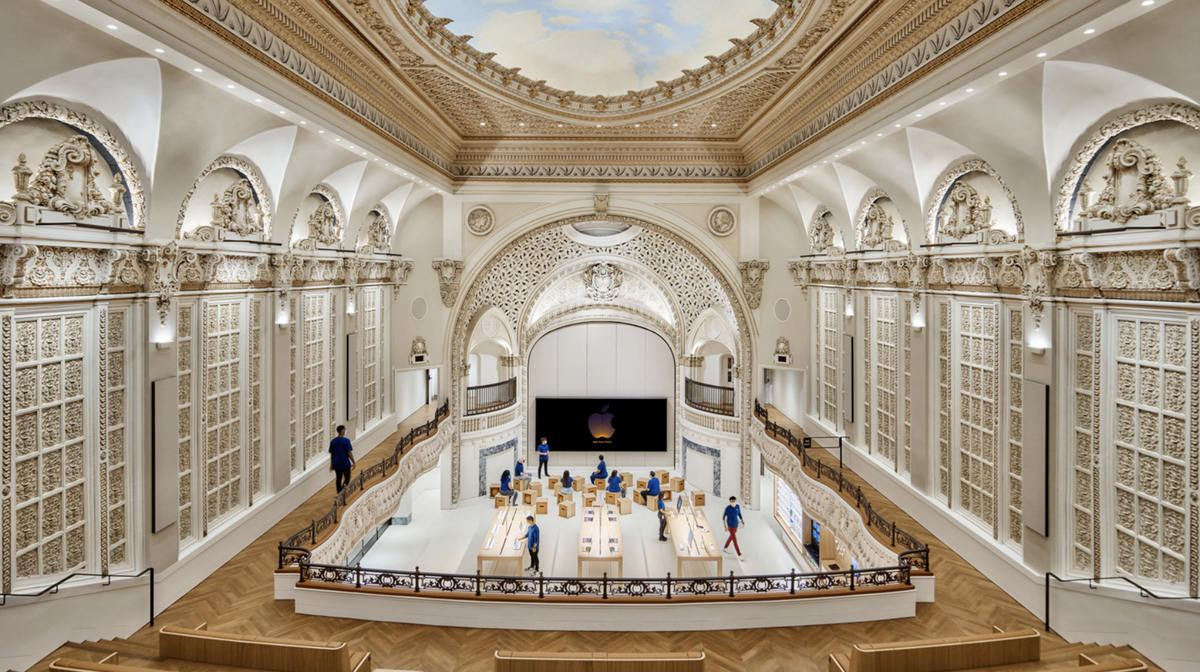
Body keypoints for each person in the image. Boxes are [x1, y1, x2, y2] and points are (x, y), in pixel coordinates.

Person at [328, 425, 355, 493]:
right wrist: (353, 462)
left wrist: (331, 464)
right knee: (347, 478)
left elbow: (332, 454)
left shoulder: (333, 441)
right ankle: (344, 489)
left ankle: (338, 491)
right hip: (344, 463)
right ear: (342, 431)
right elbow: (349, 453)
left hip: (336, 463)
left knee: (338, 478)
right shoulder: (346, 441)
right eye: (344, 430)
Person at [722, 495, 745, 559]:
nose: (733, 502)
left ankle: (725, 547)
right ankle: (739, 554)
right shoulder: (727, 508)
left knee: (731, 537)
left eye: (734, 501)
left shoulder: (737, 506)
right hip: (730, 526)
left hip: (736, 525)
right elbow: (723, 517)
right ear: (730, 501)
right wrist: (725, 527)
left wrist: (742, 521)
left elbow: (739, 514)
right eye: (732, 501)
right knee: (734, 540)